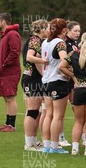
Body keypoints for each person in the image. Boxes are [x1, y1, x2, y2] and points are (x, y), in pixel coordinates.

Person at [59, 31, 86, 156]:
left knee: (78, 121)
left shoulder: (73, 53)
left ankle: (74, 149)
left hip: (78, 89)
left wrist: (73, 76)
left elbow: (61, 66)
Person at [41, 18, 71, 154]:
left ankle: (46, 145)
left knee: (49, 114)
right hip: (57, 81)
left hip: (46, 81)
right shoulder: (60, 43)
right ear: (64, 30)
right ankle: (54, 146)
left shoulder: (45, 42)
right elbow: (64, 62)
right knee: (58, 116)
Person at [21, 19, 49, 151]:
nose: (50, 30)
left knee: (35, 111)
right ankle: (28, 143)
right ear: (42, 29)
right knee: (32, 111)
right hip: (32, 79)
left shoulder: (37, 41)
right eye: (48, 28)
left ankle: (33, 140)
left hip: (33, 78)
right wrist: (44, 61)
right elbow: (30, 57)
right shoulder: (35, 40)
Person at [0, 13, 21, 132]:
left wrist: (4, 64)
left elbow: (15, 52)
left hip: (10, 72)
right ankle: (7, 123)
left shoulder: (12, 34)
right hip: (4, 72)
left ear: (3, 22)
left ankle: (12, 125)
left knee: (11, 97)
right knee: (6, 98)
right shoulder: (5, 35)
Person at [59, 20, 80, 147]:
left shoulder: (77, 43)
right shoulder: (63, 43)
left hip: (73, 80)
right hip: (65, 79)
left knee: (76, 107)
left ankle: (82, 135)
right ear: (68, 30)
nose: (77, 33)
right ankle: (60, 137)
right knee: (60, 111)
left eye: (79, 31)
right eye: (75, 31)